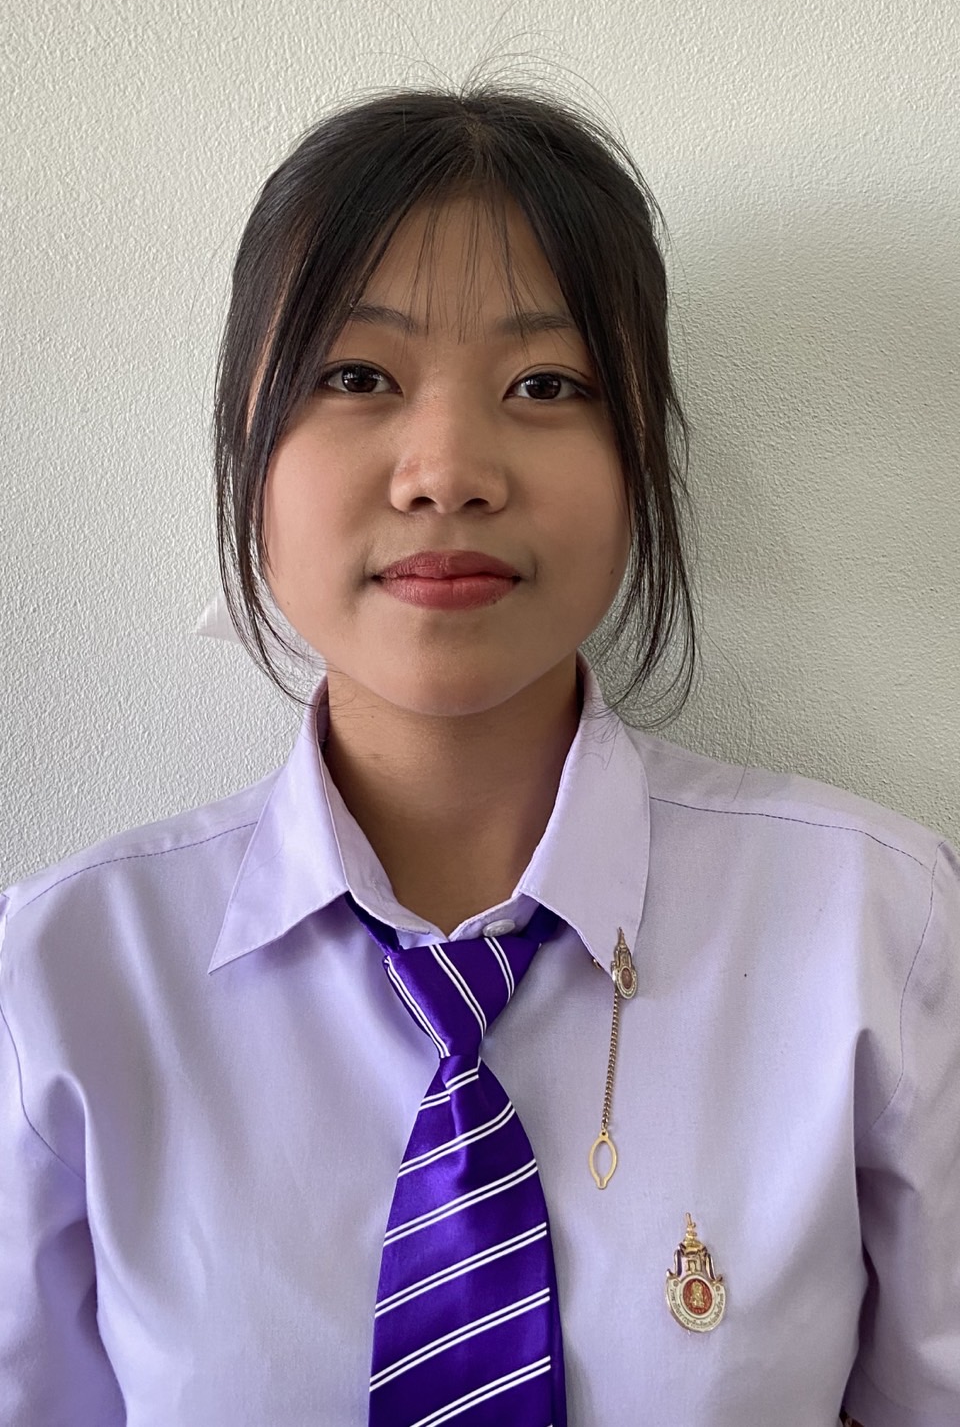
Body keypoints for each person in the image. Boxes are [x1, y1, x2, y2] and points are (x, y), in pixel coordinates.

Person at [0, 84, 956, 1427]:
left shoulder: (884, 930)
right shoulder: (59, 980)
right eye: (356, 377)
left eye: (545, 385)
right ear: (247, 446)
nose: (447, 471)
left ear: (641, 456)